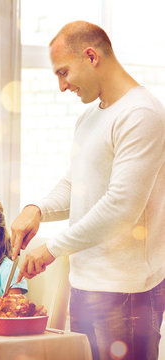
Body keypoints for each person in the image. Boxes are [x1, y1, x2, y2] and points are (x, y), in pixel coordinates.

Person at [10, 21, 165, 360]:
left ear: (91, 56)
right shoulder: (90, 118)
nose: (62, 86)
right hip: (86, 285)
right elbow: (75, 184)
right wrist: (37, 208)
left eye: (63, 72)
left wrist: (51, 248)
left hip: (127, 292)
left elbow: (121, 208)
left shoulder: (142, 113)